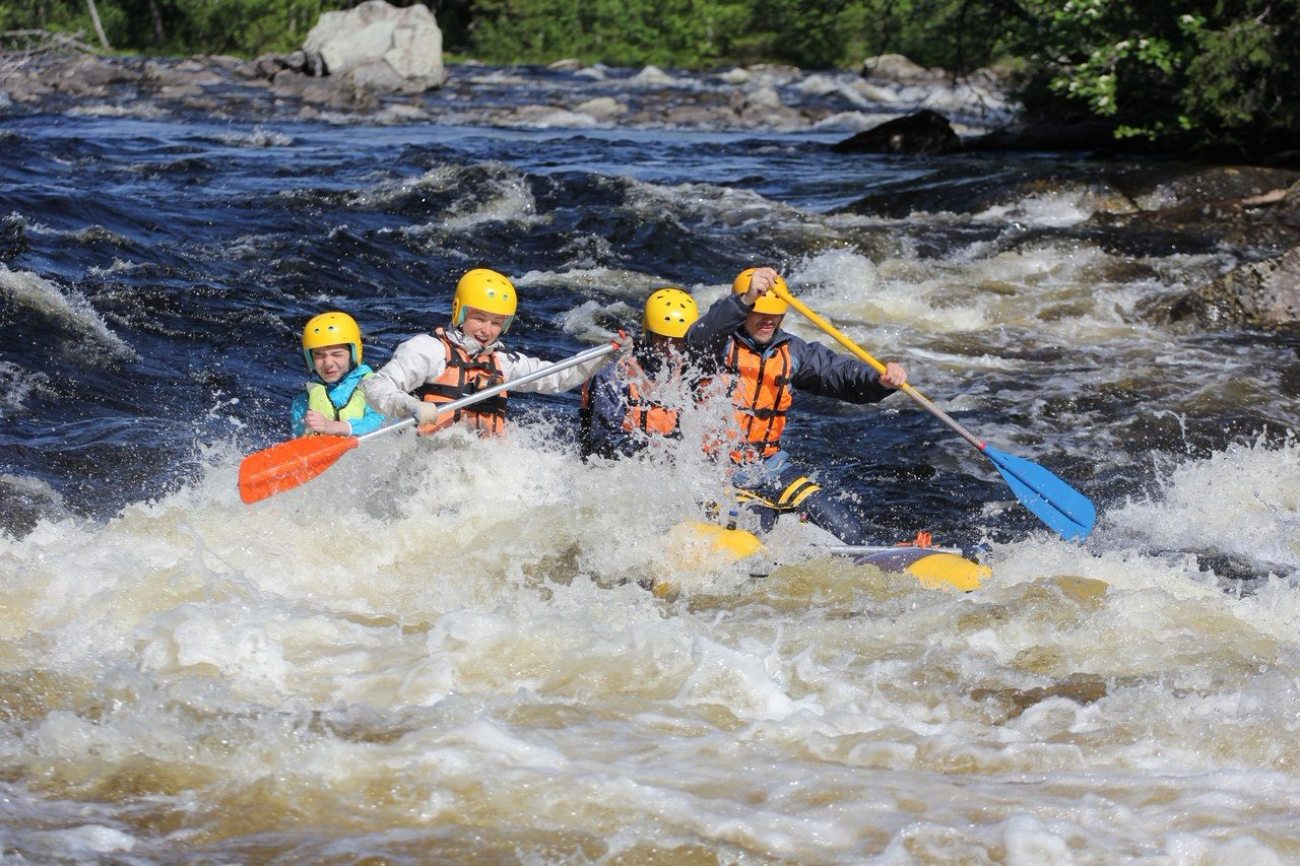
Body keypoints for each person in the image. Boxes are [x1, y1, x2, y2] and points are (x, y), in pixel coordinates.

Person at [685, 266, 908, 545]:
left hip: (771, 467)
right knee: (758, 528)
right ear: (744, 311)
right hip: (721, 473)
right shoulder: (717, 348)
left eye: (775, 314)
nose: (769, 322)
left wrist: (880, 381)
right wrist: (745, 299)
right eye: (760, 313)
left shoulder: (792, 351)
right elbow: (698, 336)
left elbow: (839, 374)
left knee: (849, 532)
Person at [362, 268, 625, 435]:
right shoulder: (427, 350)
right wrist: (411, 405)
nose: (486, 330)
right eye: (479, 318)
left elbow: (555, 377)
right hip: (428, 466)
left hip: (483, 469)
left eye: (496, 322)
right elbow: (376, 386)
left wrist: (604, 355)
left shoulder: (501, 361)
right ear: (459, 311)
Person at [579, 287, 701, 460]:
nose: (670, 348)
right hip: (612, 468)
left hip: (662, 468)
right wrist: (661, 454)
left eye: (678, 341)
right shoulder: (615, 376)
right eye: (662, 339)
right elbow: (604, 444)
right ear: (649, 335)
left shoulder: (691, 376)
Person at [291, 311, 387, 437]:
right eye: (319, 355)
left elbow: (379, 423)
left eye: (337, 354)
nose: (328, 363)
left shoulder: (373, 385)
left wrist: (334, 427)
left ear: (353, 354)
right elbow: (298, 442)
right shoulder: (304, 400)